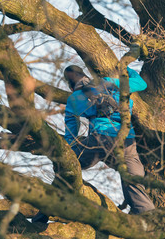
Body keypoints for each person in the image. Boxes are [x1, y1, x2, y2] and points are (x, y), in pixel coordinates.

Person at [63, 65, 155, 215]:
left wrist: (70, 153)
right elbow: (141, 84)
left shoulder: (75, 98)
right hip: (127, 141)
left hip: (100, 140)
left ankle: (44, 212)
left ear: (71, 85)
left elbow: (70, 134)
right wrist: (125, 68)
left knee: (66, 167)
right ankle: (150, 220)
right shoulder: (109, 83)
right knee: (135, 183)